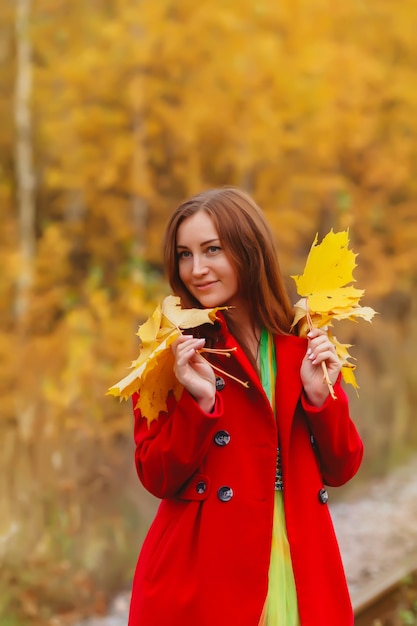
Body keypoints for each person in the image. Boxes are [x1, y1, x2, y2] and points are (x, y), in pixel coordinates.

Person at [128, 187, 363, 626]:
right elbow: (155, 474)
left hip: (297, 559)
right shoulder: (170, 354)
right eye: (184, 254)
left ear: (248, 249)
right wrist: (198, 405)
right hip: (204, 571)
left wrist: (320, 400)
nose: (196, 269)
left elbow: (343, 466)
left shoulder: (301, 345)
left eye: (212, 249)